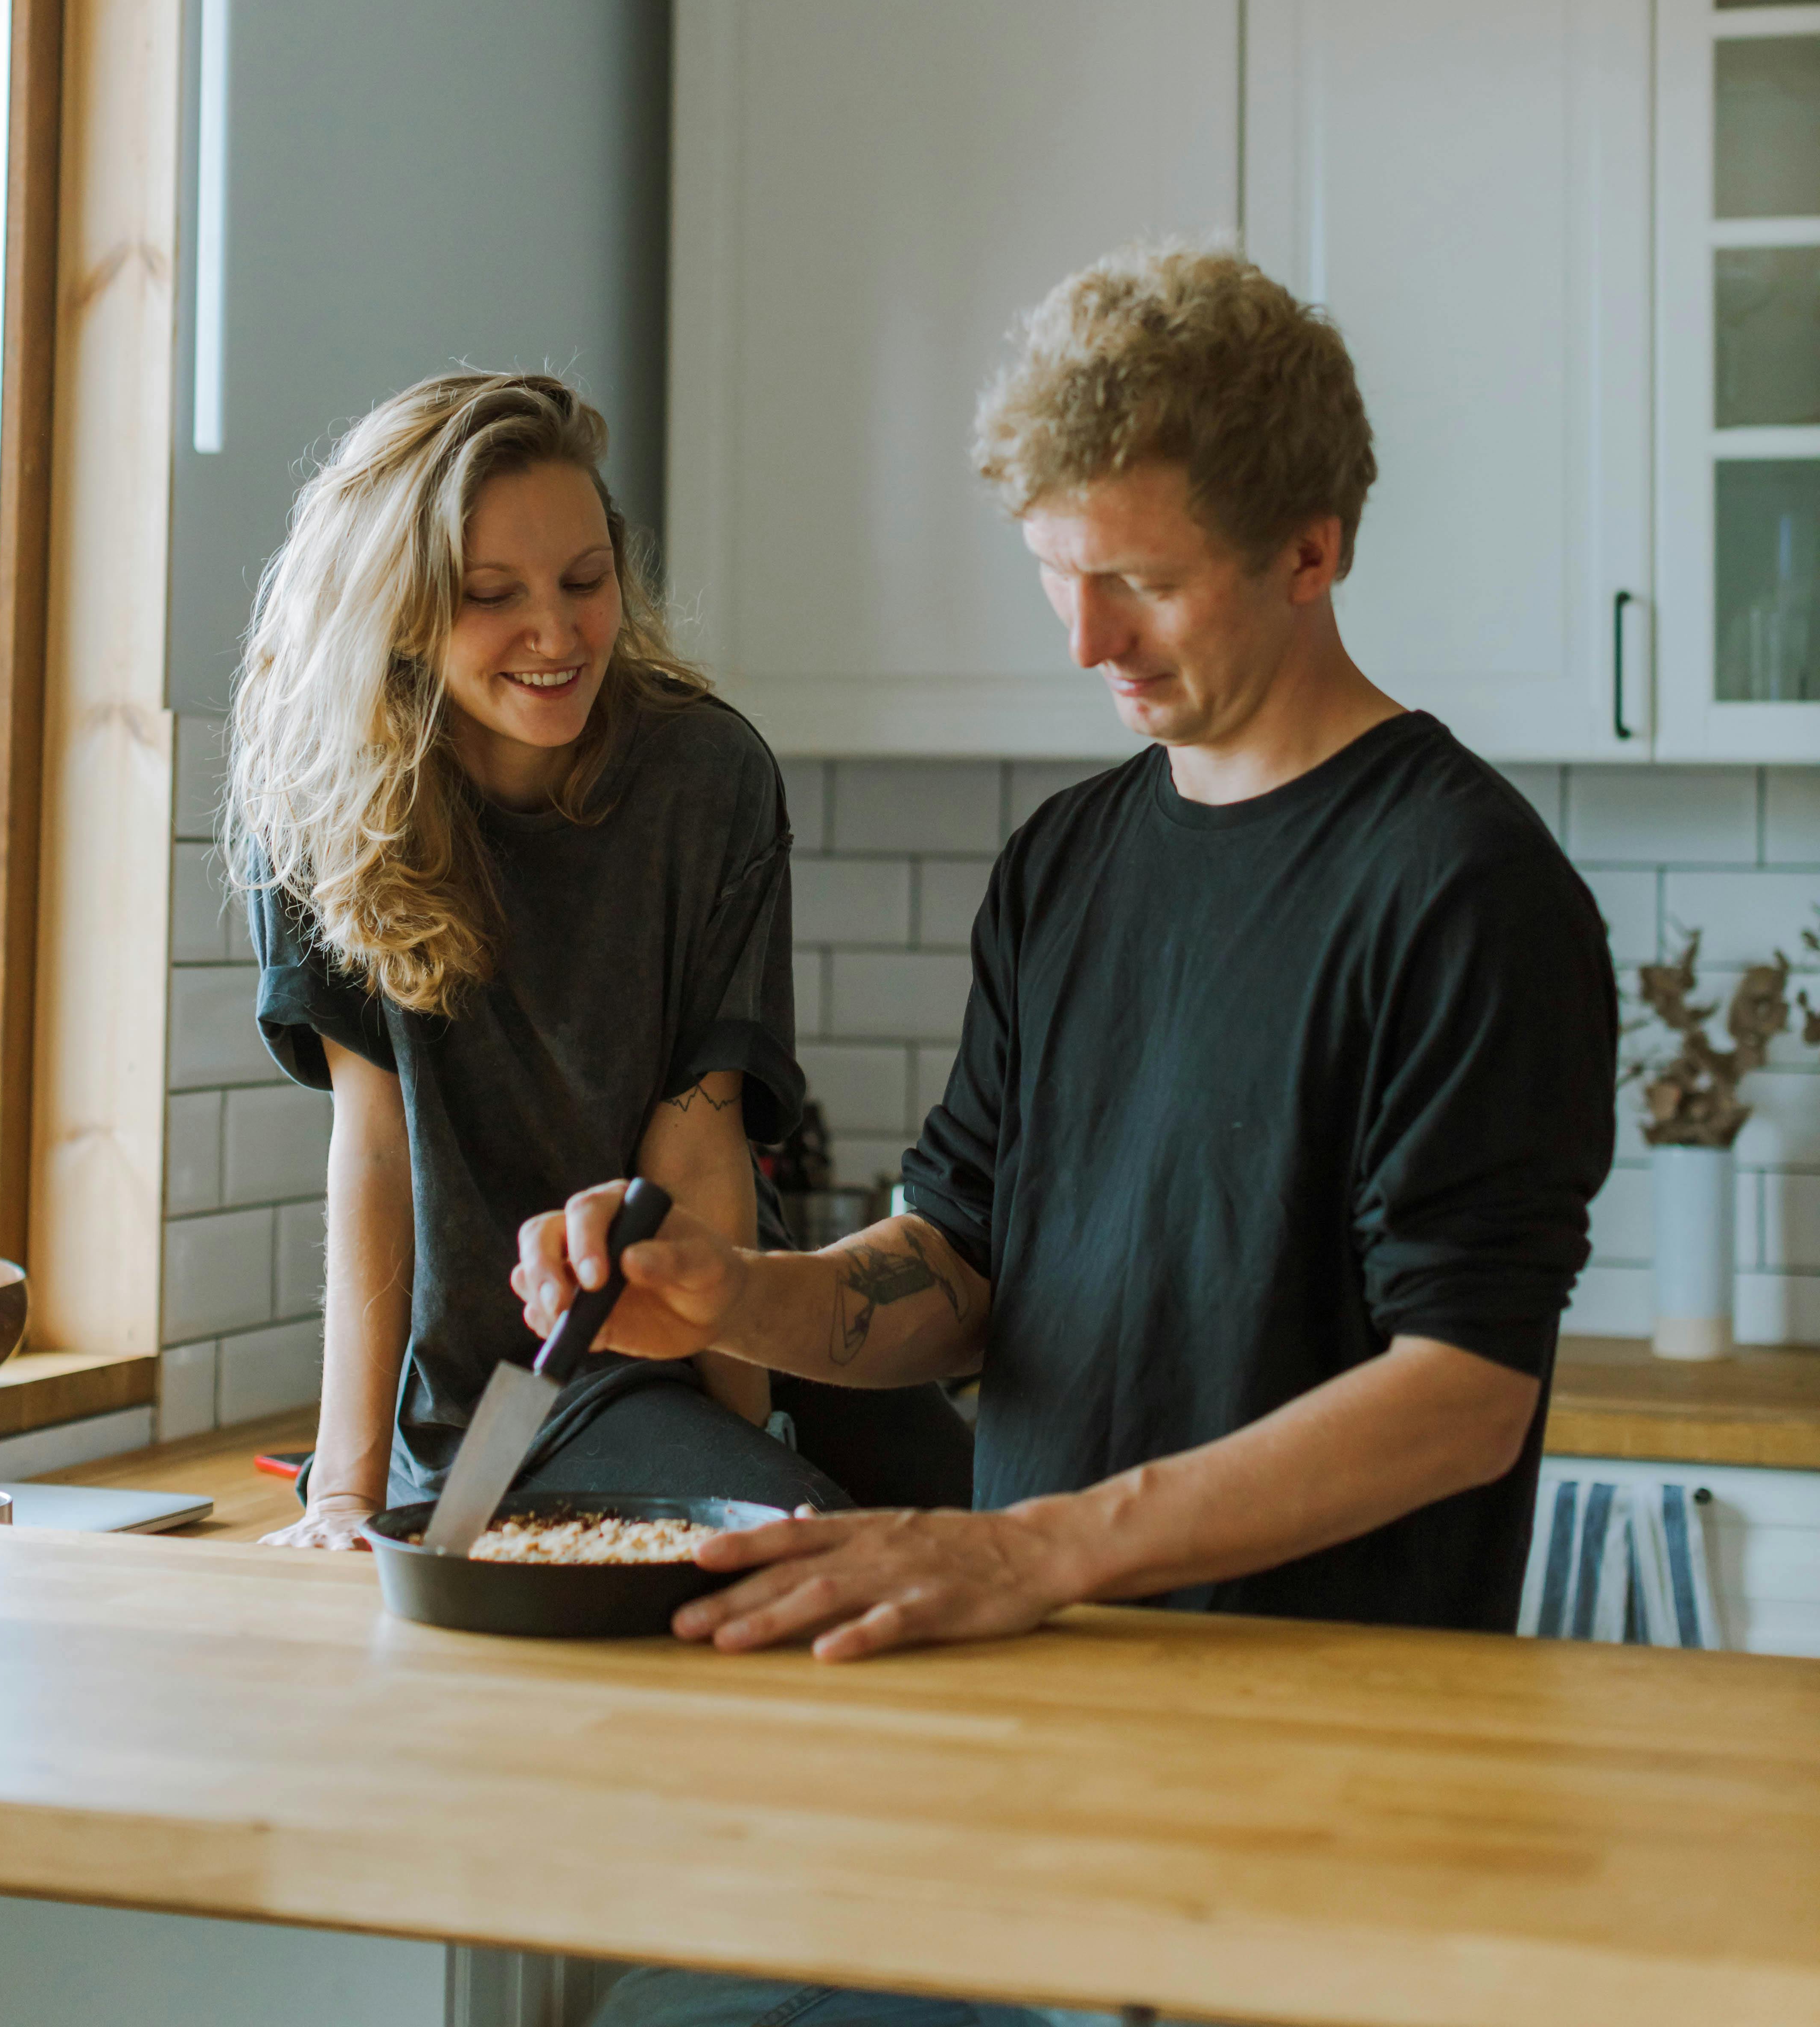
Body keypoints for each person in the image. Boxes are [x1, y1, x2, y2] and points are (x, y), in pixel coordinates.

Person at [514, 247, 1617, 1678]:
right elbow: (959, 1268)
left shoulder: (1464, 889)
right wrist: (737, 1292)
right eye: (1057, 573)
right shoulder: (1064, 864)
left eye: (1143, 582)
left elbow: (1462, 1393)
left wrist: (1030, 1547)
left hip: (1335, 1720)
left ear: (1309, 549)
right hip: (1046, 1678)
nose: (1092, 638)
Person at [226, 369, 970, 1549]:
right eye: (492, 595)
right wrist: (346, 1499)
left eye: (587, 581)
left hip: (717, 1311)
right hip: (502, 1404)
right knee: (790, 1541)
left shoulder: (708, 781)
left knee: (999, 1513)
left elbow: (699, 1144)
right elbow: (375, 1150)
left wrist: (753, 1436)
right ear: (402, 611)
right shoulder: (325, 807)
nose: (560, 634)